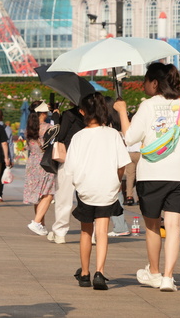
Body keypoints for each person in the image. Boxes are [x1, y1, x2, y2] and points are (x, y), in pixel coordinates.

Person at [113, 62, 180, 292]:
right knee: (174, 226)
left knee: (153, 226)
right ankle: (168, 277)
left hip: (151, 174)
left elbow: (130, 138)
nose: (144, 85)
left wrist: (123, 112)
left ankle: (154, 272)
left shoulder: (147, 106)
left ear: (154, 83)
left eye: (145, 81)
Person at [64, 93, 130, 291]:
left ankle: (85, 273)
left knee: (86, 232)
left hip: (86, 188)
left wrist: (79, 183)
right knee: (102, 232)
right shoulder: (113, 135)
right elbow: (122, 166)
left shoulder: (78, 137)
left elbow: (70, 168)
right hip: (107, 188)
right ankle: (99, 272)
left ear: (83, 112)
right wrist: (116, 181)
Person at [48, 102, 85, 243]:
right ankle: (92, 233)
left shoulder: (69, 114)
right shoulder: (95, 116)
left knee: (64, 197)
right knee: (87, 198)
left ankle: (60, 232)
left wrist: (56, 115)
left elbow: (60, 134)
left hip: (68, 158)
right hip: (87, 160)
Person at [24, 101, 56, 236]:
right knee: (48, 193)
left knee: (38, 194)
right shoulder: (48, 128)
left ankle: (41, 224)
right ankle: (37, 222)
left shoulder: (29, 128)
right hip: (45, 162)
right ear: (43, 113)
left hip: (32, 162)